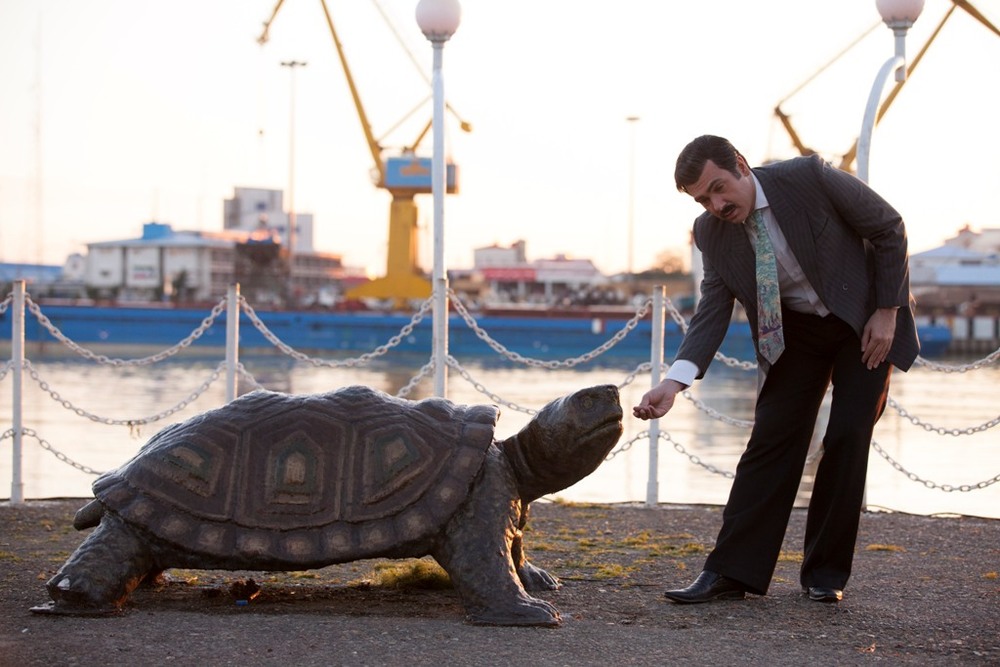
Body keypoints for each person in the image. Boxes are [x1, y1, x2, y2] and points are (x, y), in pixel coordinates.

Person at [634, 135, 919, 604]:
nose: (717, 204)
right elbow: (712, 309)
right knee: (770, 440)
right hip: (795, 333)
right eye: (704, 199)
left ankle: (824, 575)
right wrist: (674, 381)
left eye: (720, 188)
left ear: (742, 166)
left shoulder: (808, 177)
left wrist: (887, 310)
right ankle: (729, 572)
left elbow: (890, 227)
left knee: (848, 434)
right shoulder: (710, 232)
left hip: (862, 319)